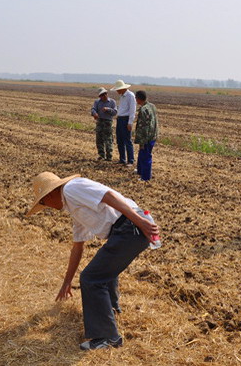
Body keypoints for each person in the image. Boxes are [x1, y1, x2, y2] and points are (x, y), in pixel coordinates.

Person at [26, 172, 160, 351]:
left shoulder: (72, 188)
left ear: (49, 194)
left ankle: (107, 337)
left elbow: (108, 195)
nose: (47, 207)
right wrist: (67, 282)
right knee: (102, 271)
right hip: (126, 229)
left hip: (130, 227)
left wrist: (139, 221)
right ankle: (110, 311)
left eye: (43, 203)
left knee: (92, 278)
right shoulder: (74, 207)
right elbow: (77, 247)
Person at [134, 90, 158, 181]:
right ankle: (140, 171)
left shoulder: (143, 110)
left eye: (136, 98)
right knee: (142, 154)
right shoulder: (152, 106)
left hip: (146, 137)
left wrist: (142, 141)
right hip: (153, 135)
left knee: (145, 156)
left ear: (138, 99)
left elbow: (143, 127)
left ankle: (145, 177)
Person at [112, 80, 136, 165]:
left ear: (122, 88)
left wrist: (130, 123)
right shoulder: (122, 96)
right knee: (120, 140)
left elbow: (132, 110)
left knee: (127, 141)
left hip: (126, 119)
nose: (117, 91)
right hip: (120, 119)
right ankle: (122, 159)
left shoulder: (130, 96)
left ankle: (130, 160)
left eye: (117, 89)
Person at [91, 88, 117, 161]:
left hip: (108, 122)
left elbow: (115, 112)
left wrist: (108, 109)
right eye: (102, 95)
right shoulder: (97, 102)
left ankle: (109, 156)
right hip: (100, 121)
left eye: (105, 94)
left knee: (108, 139)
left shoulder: (112, 102)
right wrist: (94, 113)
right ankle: (101, 155)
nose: (104, 96)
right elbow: (93, 109)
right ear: (100, 96)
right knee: (99, 139)